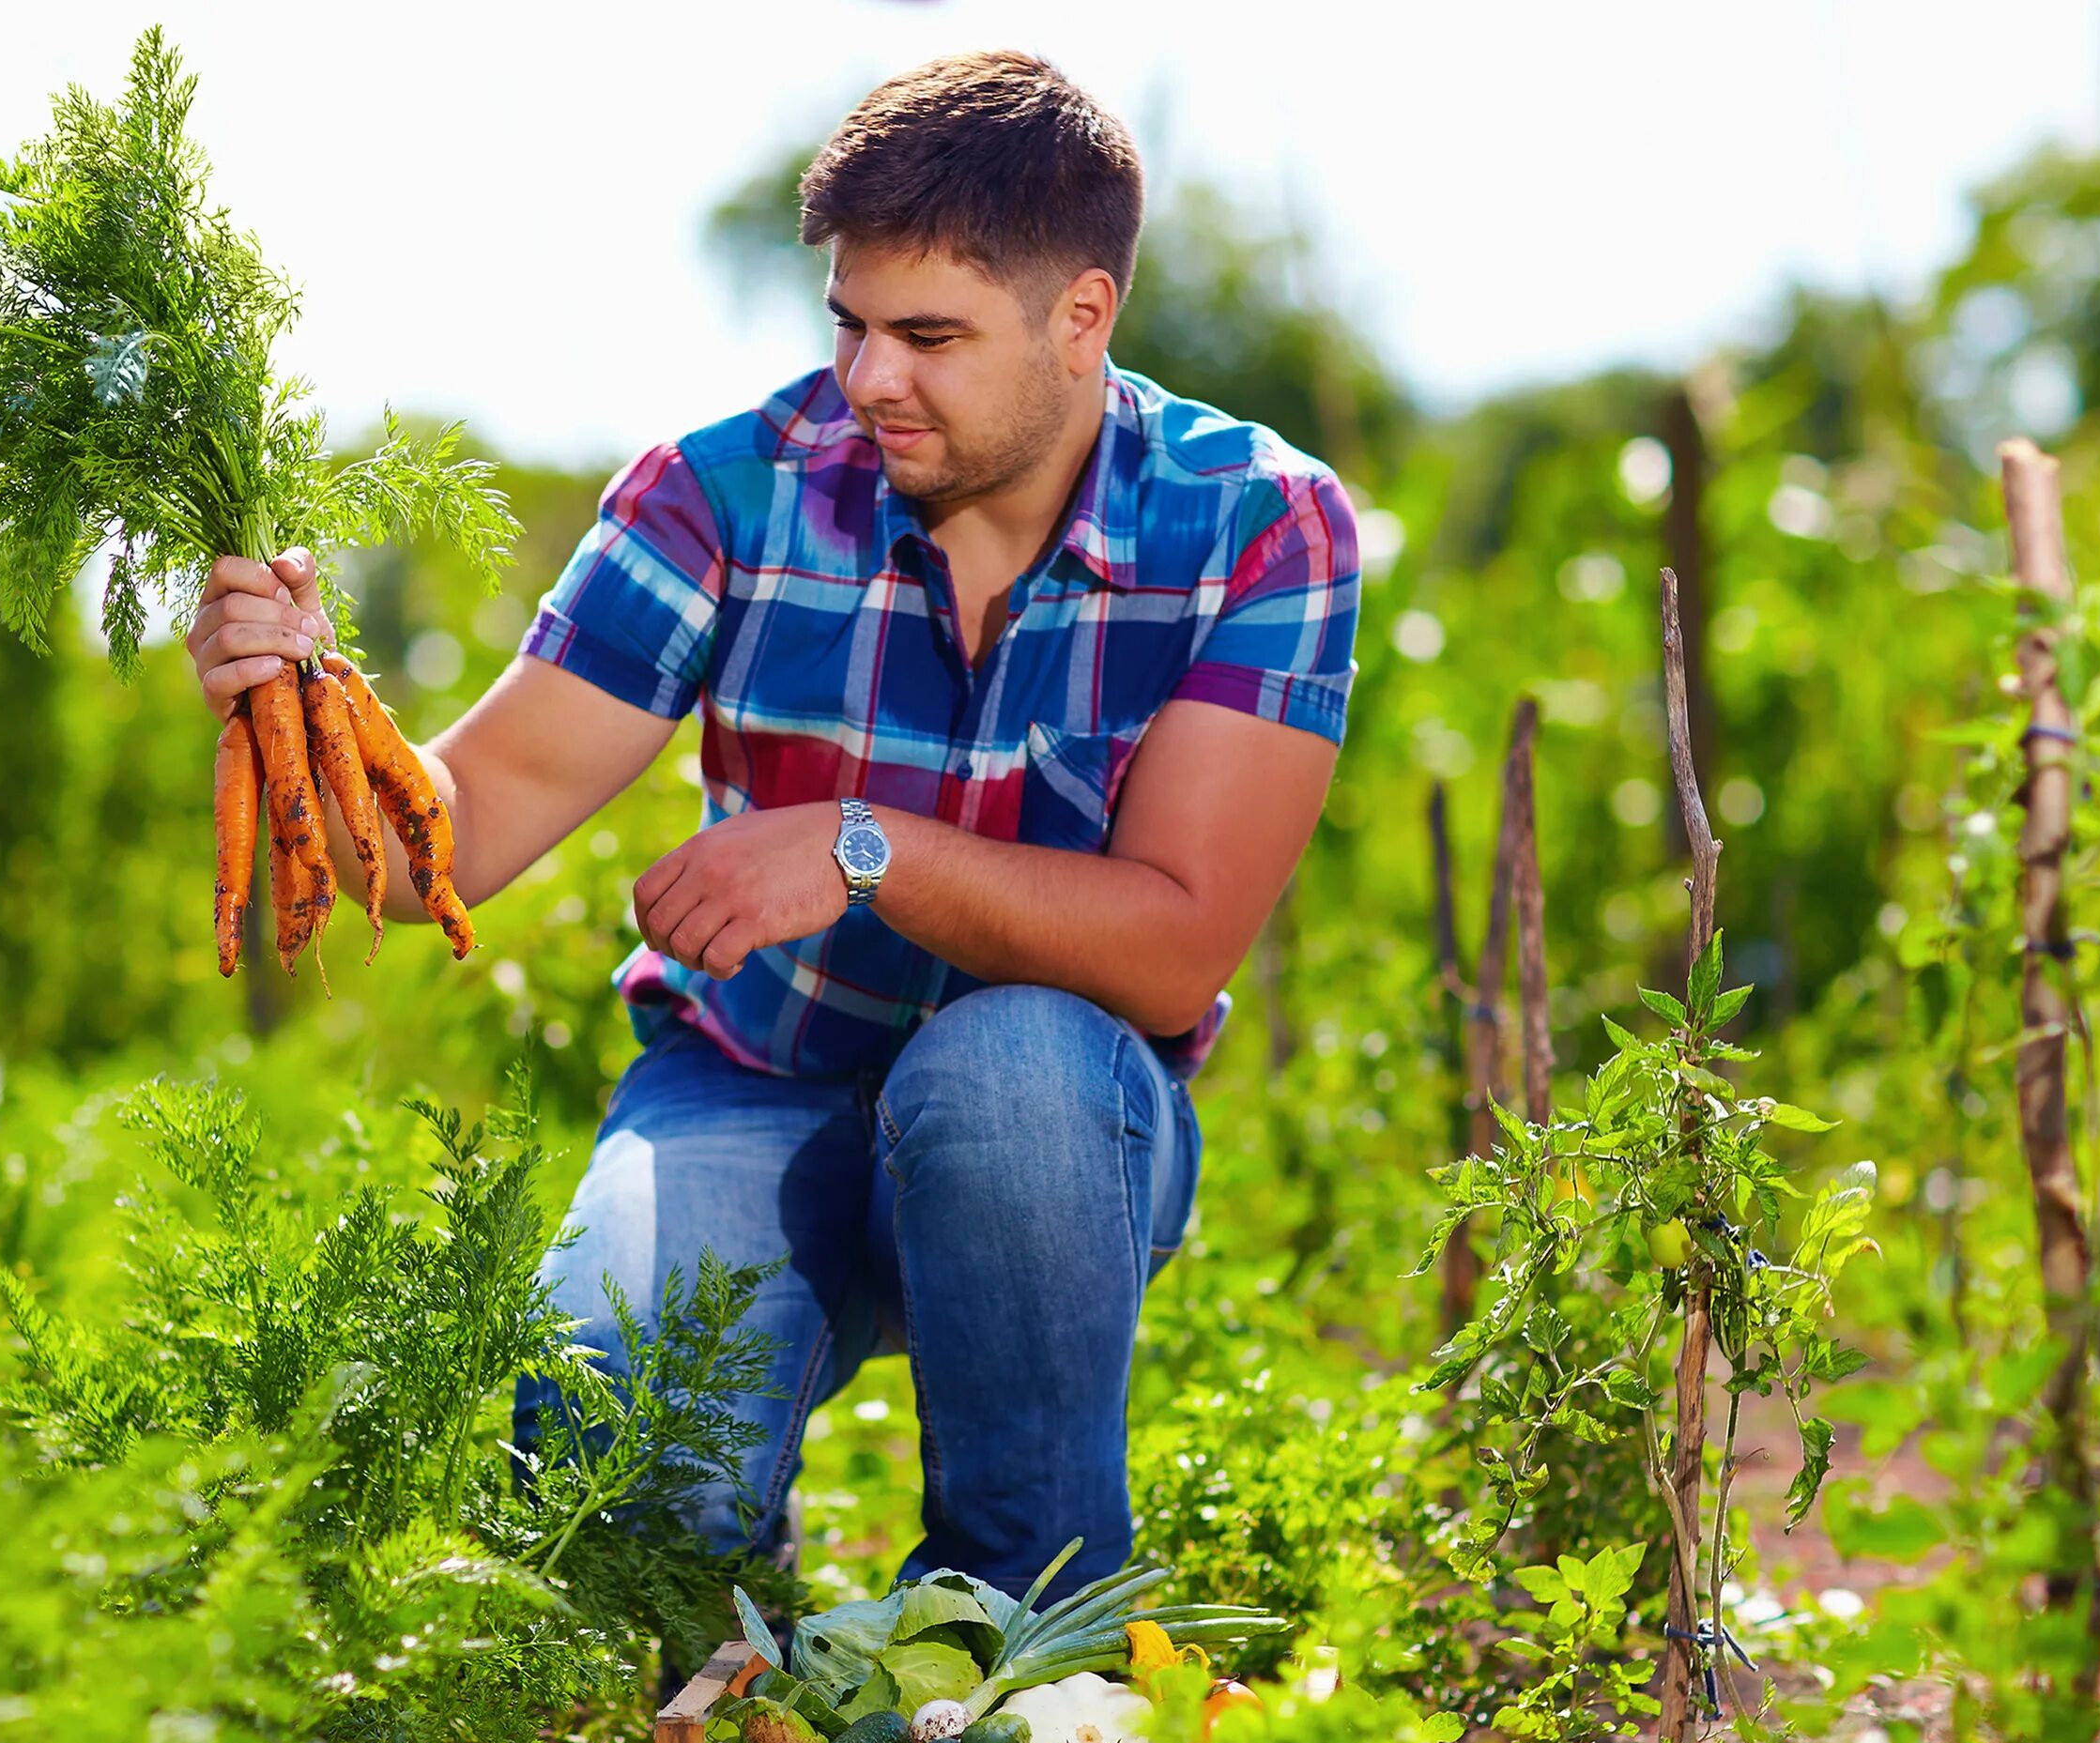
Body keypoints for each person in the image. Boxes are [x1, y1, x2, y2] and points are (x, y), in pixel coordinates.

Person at [182, 50, 1357, 1600]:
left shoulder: (1257, 525)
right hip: (746, 1085)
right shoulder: (724, 495)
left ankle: (1019, 1615)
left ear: (1084, 318)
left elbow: (1172, 947)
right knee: (618, 1484)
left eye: (930, 337)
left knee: (1004, 1068)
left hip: (1055, 1132)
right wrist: (299, 703)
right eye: (853, 325)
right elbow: (439, 849)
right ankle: (724, 1585)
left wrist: (858, 847)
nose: (873, 379)